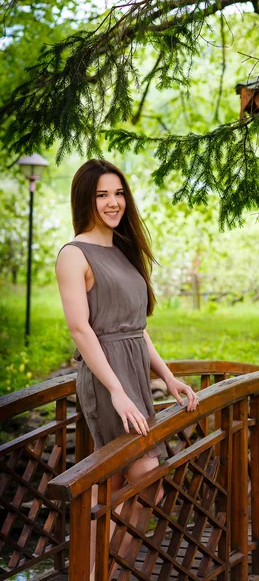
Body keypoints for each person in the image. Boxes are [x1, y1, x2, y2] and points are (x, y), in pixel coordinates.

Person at [56, 158, 199, 573]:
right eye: (102, 194)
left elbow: (137, 329)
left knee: (119, 483)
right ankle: (102, 568)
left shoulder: (121, 249)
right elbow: (81, 330)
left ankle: (98, 568)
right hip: (106, 379)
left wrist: (169, 378)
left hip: (133, 372)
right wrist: (117, 391)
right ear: (85, 198)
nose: (113, 202)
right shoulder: (73, 254)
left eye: (118, 193)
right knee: (145, 475)